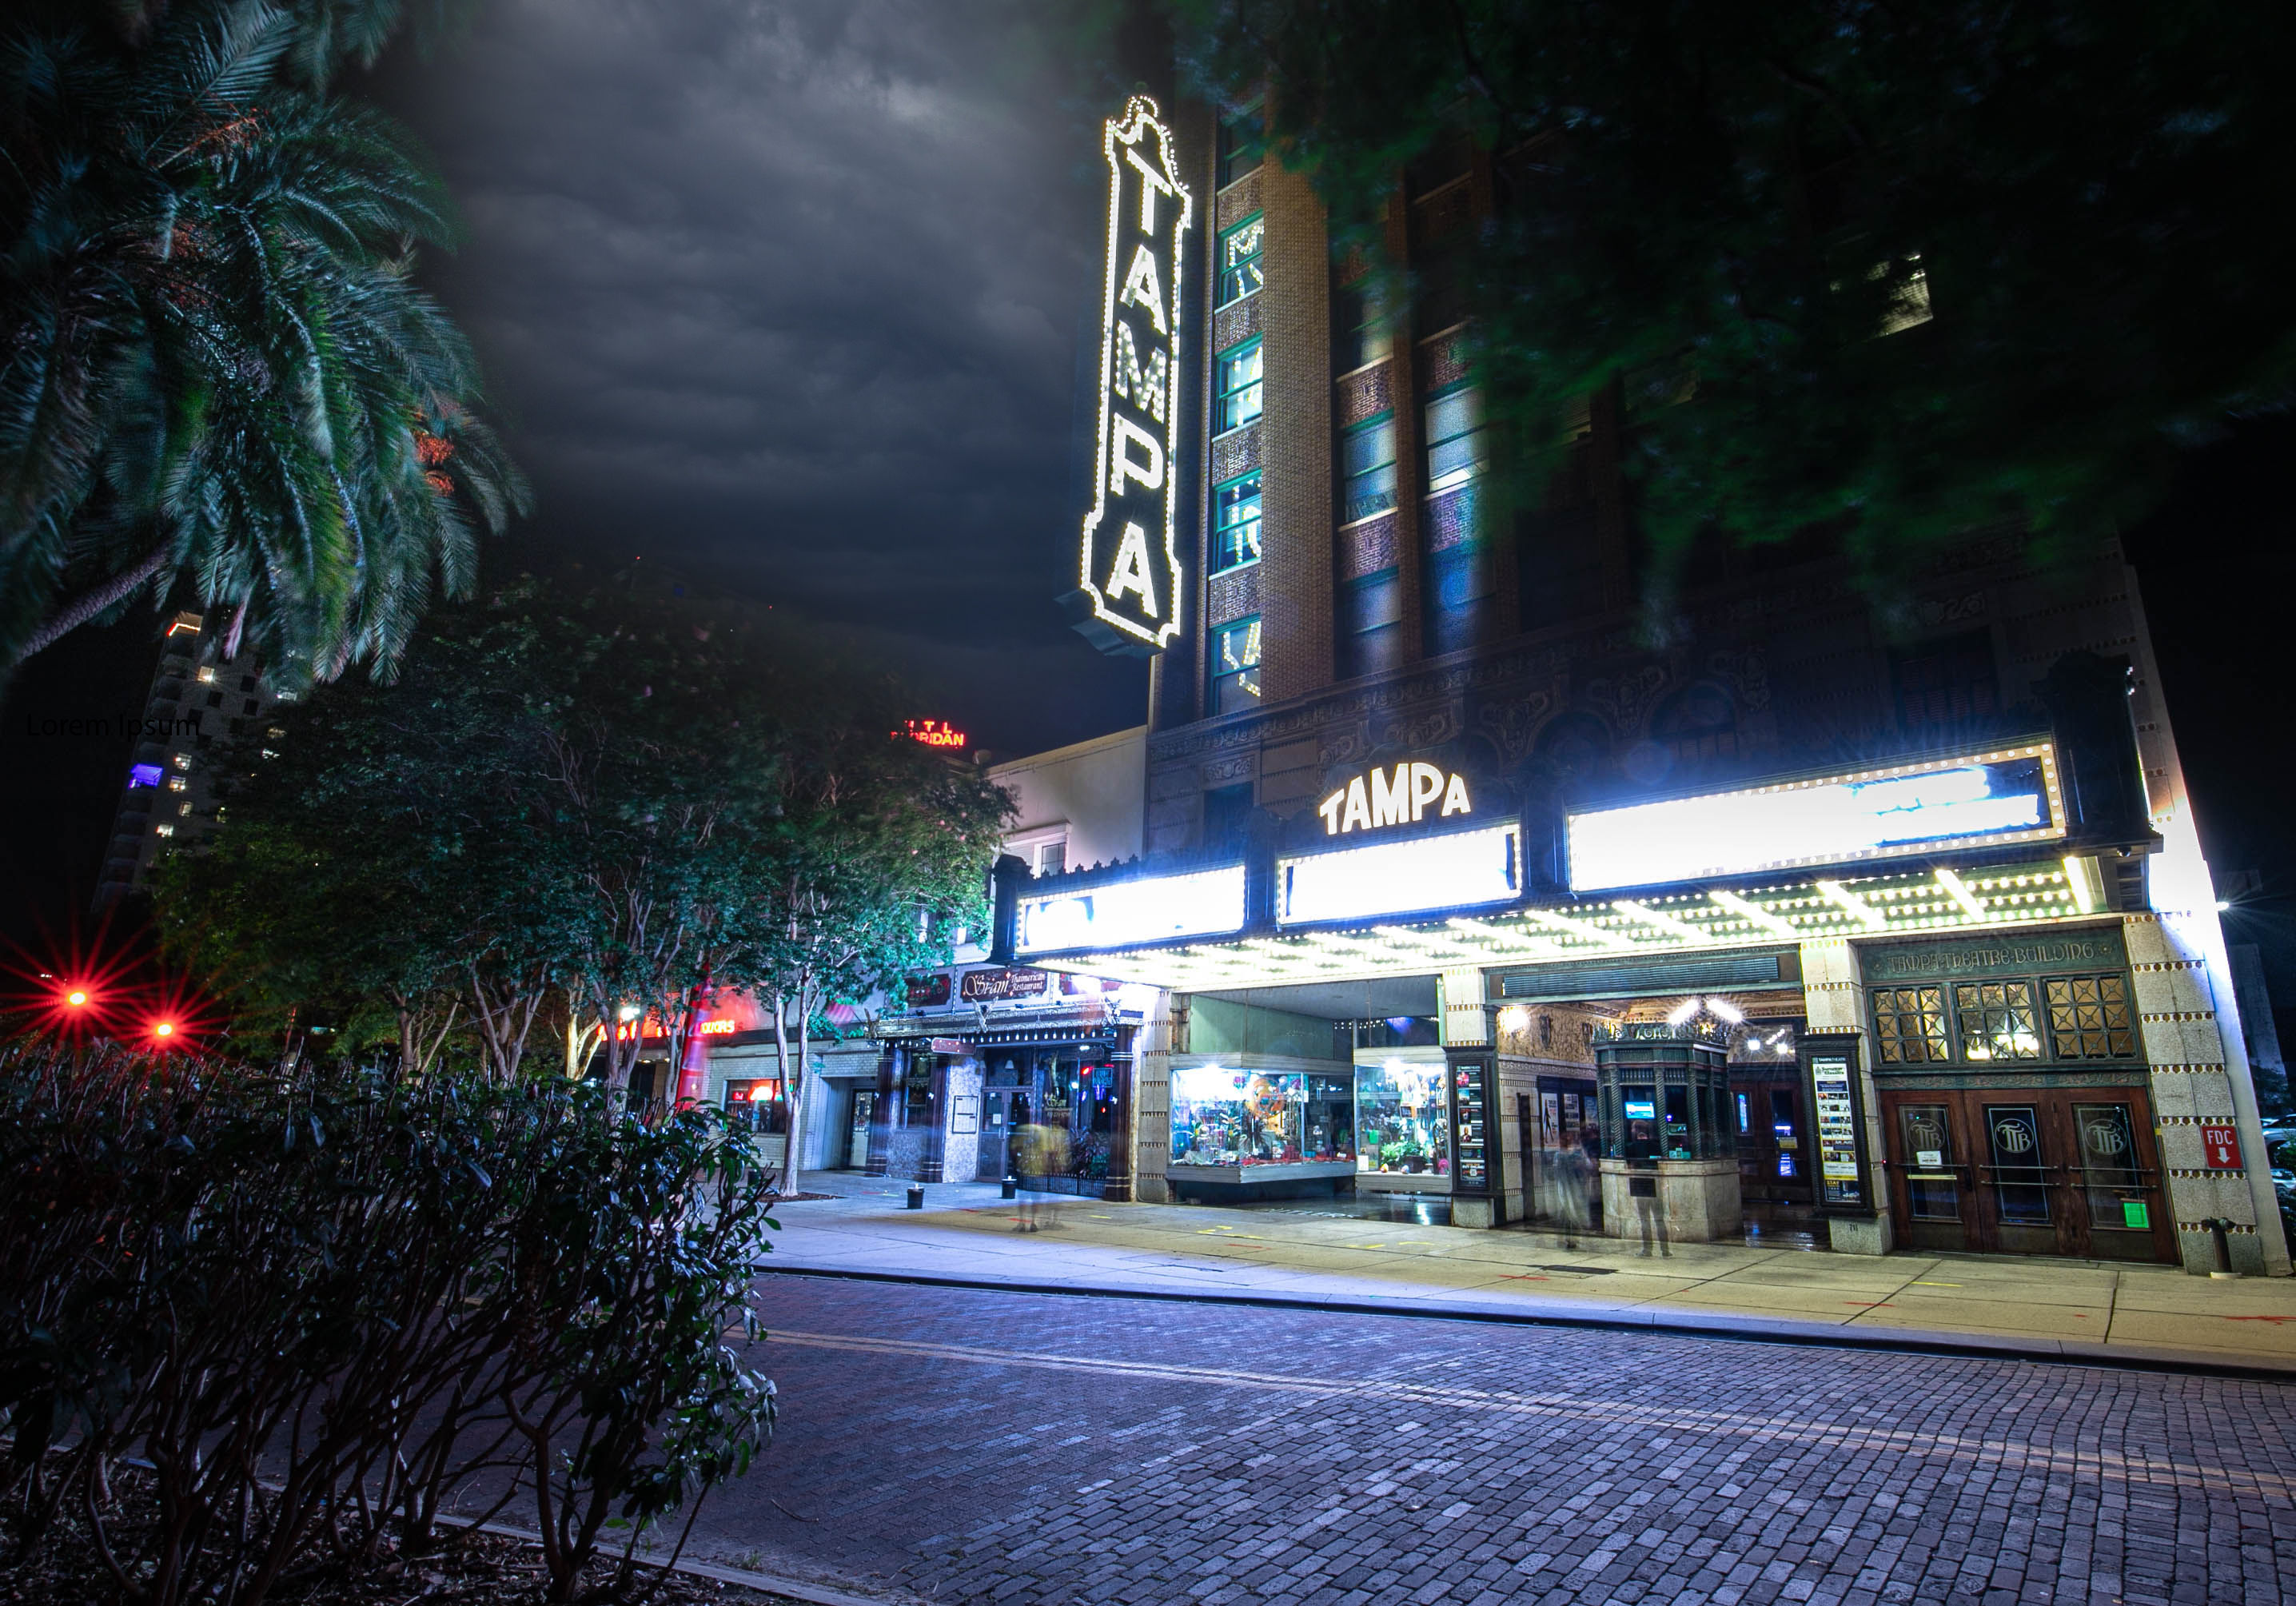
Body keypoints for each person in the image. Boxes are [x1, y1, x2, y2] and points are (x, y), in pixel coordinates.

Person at [1624, 1118, 1670, 1257]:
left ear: (1636, 1131)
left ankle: (1647, 1249)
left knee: (1644, 1218)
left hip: (1640, 1183)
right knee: (1659, 1218)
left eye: (1633, 1129)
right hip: (1655, 1183)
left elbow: (1629, 1165)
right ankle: (1665, 1249)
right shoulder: (1656, 1145)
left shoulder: (1631, 1147)